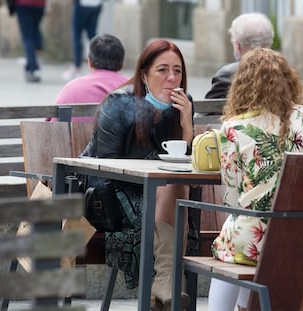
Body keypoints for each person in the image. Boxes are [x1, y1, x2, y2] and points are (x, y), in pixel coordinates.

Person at [80, 39, 194, 310]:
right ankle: (166, 285)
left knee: (174, 187)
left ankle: (164, 287)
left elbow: (187, 162)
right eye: (162, 70)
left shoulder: (183, 107)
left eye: (177, 71)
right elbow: (105, 164)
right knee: (173, 190)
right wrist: (155, 171)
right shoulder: (118, 103)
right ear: (144, 75)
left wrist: (187, 127)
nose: (171, 78)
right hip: (113, 194)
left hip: (163, 194)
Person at [207, 48, 303, 311]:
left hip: (254, 242)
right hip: (301, 238)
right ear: (288, 81)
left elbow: (232, 198)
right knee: (239, 234)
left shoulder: (234, 129)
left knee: (232, 236)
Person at [53, 33, 129, 122]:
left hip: (77, 135)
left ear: (89, 61)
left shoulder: (71, 89)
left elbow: (52, 127)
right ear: (122, 63)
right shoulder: (136, 87)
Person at [205, 12, 274, 99]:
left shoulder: (227, 76)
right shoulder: (285, 72)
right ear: (269, 44)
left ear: (237, 46)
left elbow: (207, 109)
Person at [62, 0, 103, 81]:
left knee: (77, 35)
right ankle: (100, 65)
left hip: (82, 4)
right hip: (96, 4)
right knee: (92, 35)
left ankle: (77, 67)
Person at [15, 0, 46, 83]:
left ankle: (32, 69)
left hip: (23, 4)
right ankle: (36, 59)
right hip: (39, 4)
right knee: (35, 31)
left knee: (28, 36)